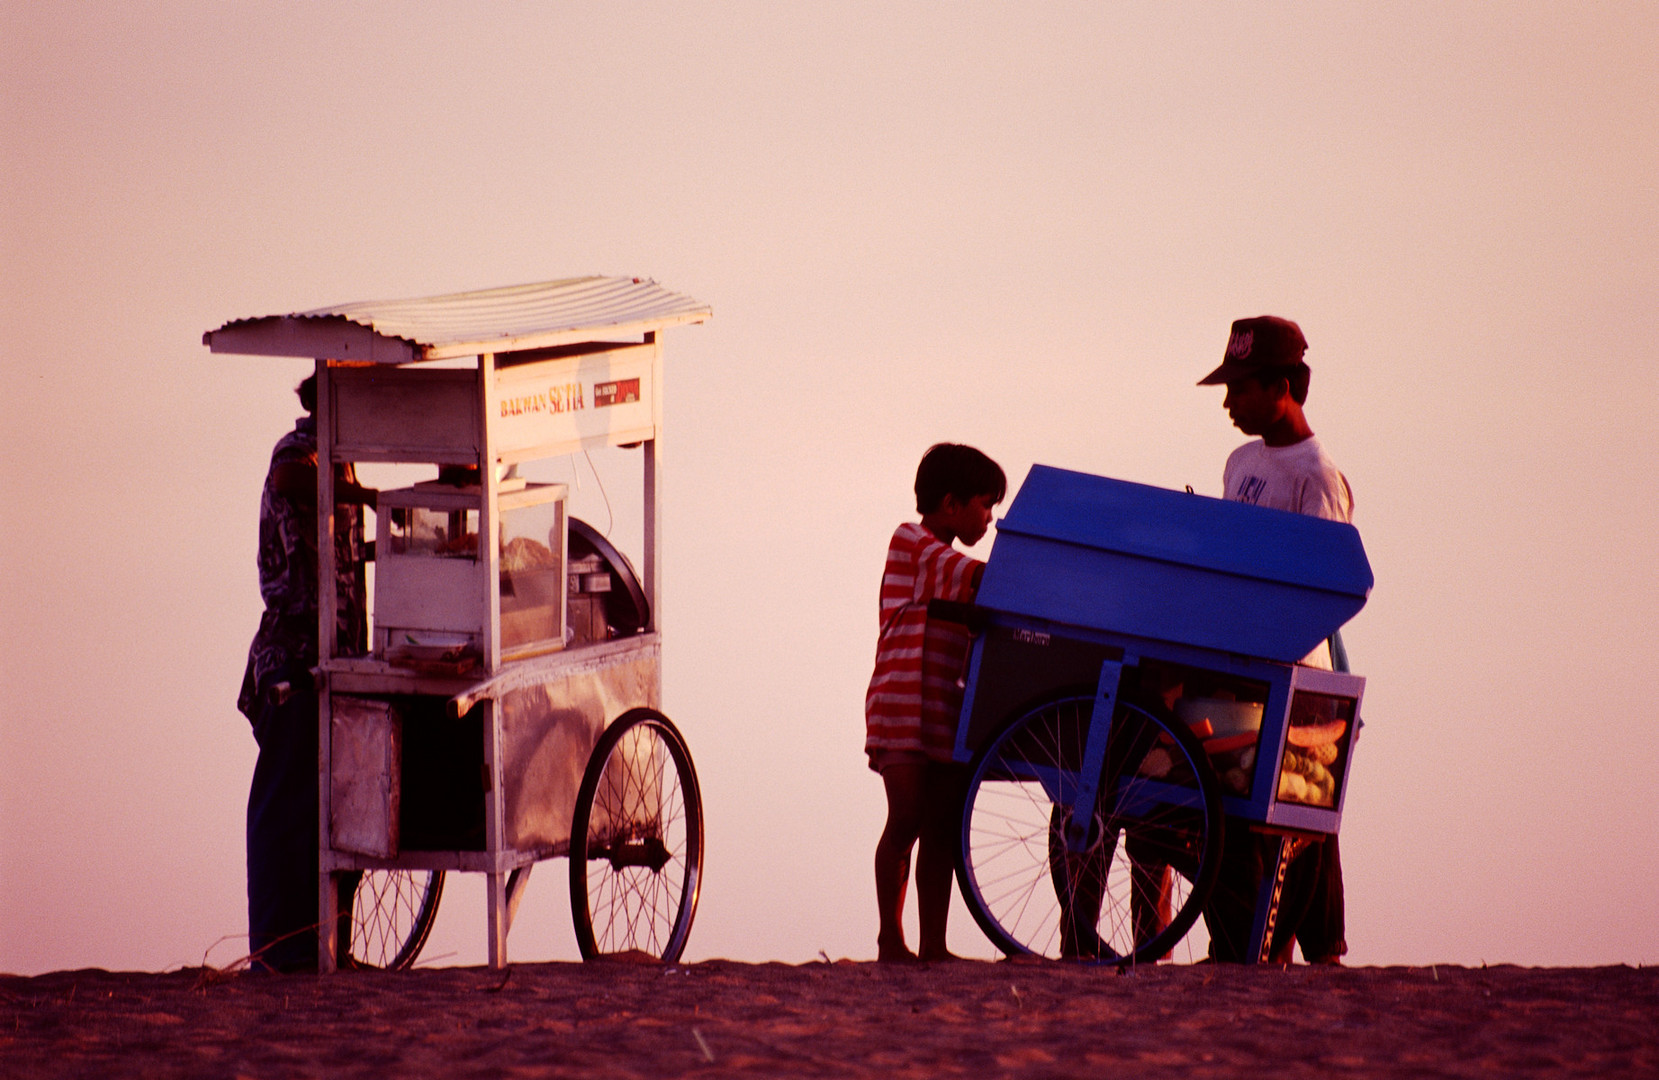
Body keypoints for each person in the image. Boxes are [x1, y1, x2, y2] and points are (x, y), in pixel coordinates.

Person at [1197, 314, 1352, 964]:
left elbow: (1319, 589)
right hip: (1234, 661)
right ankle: (1242, 943)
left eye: (1240, 388)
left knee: (1290, 810)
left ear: (1281, 386)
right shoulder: (1240, 463)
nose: (1228, 403)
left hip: (1289, 671)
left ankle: (1305, 948)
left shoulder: (1315, 477)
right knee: (1228, 805)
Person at [236, 373, 373, 972]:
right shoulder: (297, 453)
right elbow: (291, 479)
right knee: (285, 809)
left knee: (335, 809)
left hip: (336, 660)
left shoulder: (343, 469)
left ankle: (326, 949)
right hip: (290, 659)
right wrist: (367, 501)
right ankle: (275, 948)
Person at [865, 443, 1006, 961]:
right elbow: (973, 575)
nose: (989, 518)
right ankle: (890, 938)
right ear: (951, 503)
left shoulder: (945, 560)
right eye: (985, 504)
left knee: (941, 825)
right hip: (901, 702)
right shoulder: (912, 541)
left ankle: (934, 945)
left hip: (945, 705)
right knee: (906, 817)